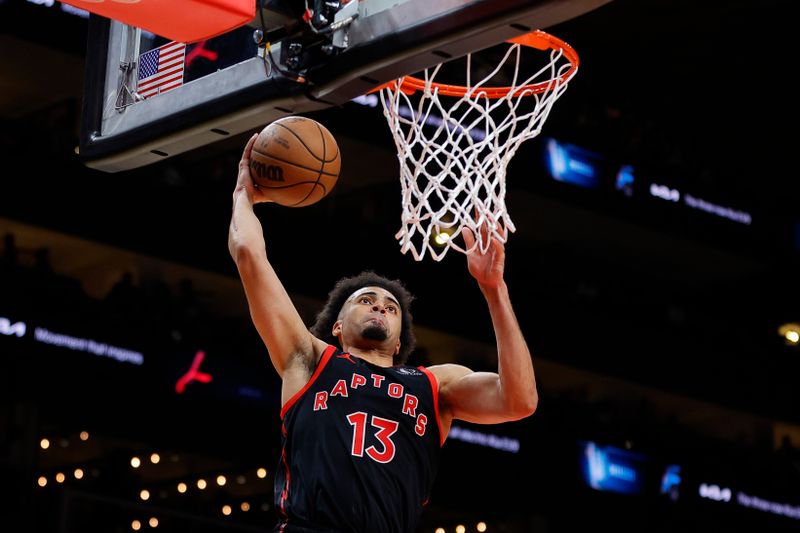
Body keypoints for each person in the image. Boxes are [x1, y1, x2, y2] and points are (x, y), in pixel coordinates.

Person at [228, 132, 538, 533]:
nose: (380, 306)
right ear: (337, 326)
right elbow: (250, 254)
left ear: (398, 339)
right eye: (366, 300)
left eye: (391, 308)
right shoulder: (309, 358)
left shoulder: (434, 385)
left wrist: (495, 291)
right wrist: (243, 195)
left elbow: (520, 401)